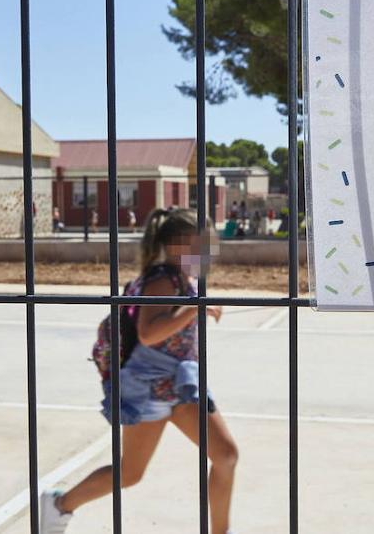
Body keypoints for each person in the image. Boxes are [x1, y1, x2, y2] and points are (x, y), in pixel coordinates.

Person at [40, 208, 237, 534]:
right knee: (130, 473)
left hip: (181, 387)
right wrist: (193, 310)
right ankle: (59, 505)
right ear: (177, 246)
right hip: (149, 390)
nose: (208, 252)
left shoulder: (184, 279)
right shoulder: (162, 280)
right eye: (202, 244)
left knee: (226, 455)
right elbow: (149, 334)